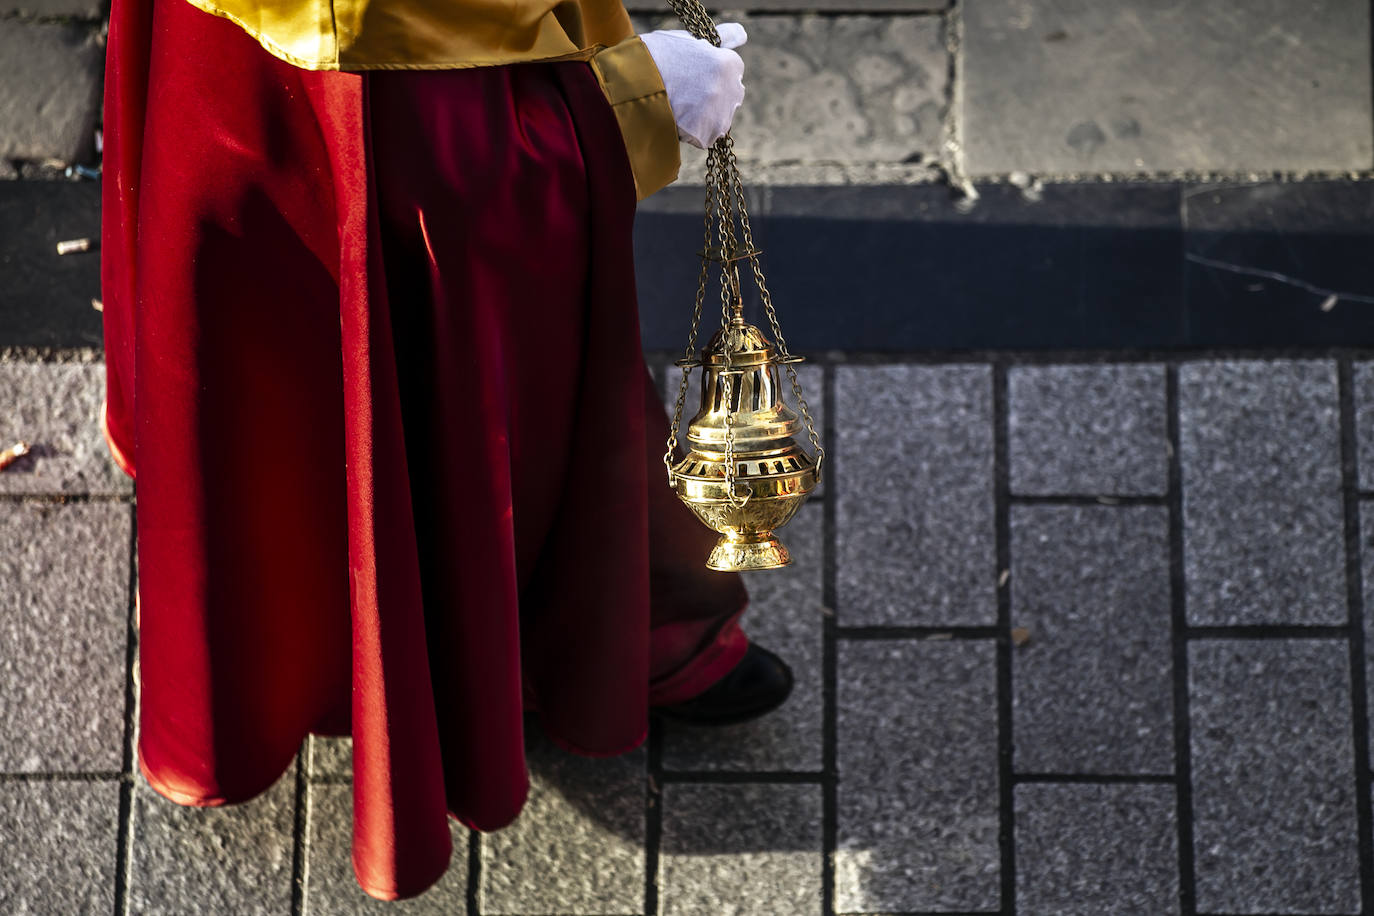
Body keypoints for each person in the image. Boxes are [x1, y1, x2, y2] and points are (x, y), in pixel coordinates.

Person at [98, 0, 793, 899]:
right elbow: (476, 174)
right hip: (398, 77)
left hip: (220, 56)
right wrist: (639, 99)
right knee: (479, 381)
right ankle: (516, 666)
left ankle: (262, 662)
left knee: (257, 382)